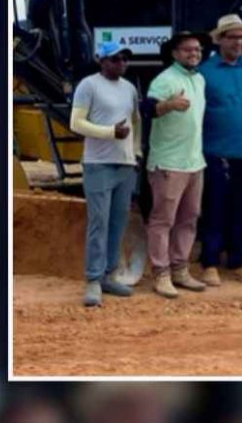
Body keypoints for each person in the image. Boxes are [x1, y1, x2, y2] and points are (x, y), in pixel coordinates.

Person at [197, 14, 242, 286]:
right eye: (233, 37)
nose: (239, 42)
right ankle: (210, 263)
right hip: (217, 151)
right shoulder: (205, 72)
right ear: (220, 40)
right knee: (215, 208)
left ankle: (239, 262)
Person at [69, 41, 139, 306]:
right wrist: (109, 132)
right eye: (115, 59)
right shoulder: (89, 85)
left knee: (118, 222)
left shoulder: (129, 88)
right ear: (102, 61)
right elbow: (76, 123)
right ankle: (93, 280)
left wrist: (136, 153)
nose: (121, 63)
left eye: (124, 59)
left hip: (124, 164)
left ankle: (109, 275)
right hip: (98, 163)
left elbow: (135, 124)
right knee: (99, 222)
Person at [141, 31, 209, 299]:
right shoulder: (165, 79)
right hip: (168, 163)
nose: (194, 53)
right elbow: (147, 109)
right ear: (175, 53)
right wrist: (169, 104)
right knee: (162, 220)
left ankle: (181, 269)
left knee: (189, 219)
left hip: (194, 162)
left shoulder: (200, 79)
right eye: (187, 49)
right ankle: (161, 274)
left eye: (198, 49)